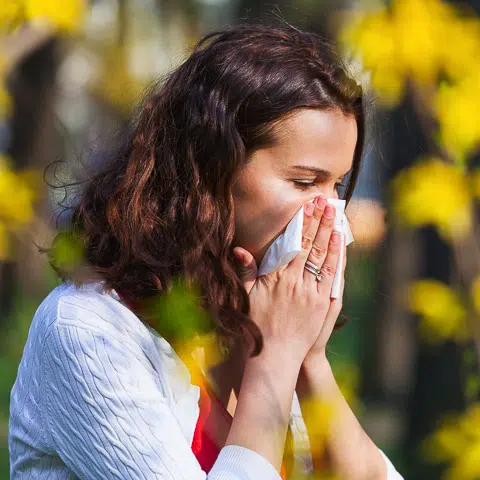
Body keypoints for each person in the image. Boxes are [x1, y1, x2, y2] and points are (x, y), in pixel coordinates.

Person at [8, 23, 404, 479]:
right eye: (303, 182)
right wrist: (274, 359)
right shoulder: (86, 331)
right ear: (211, 171)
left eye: (338, 185)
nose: (330, 212)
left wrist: (308, 360)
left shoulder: (252, 318)